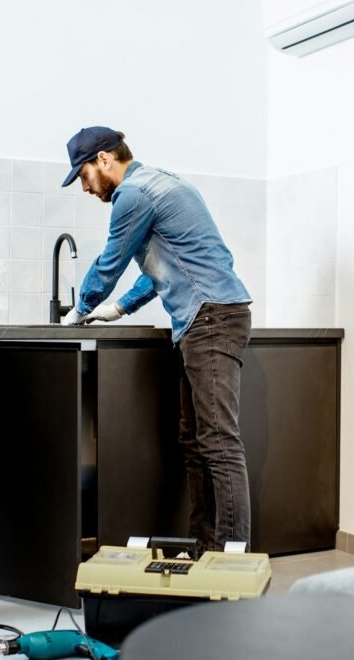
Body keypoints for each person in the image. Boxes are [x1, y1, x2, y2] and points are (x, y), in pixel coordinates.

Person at [60, 127, 253, 553]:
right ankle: (207, 550)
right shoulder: (165, 183)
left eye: (85, 175)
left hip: (211, 319)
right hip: (206, 317)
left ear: (105, 160)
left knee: (219, 443)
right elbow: (169, 265)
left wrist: (79, 309)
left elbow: (111, 260)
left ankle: (234, 563)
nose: (85, 187)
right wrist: (122, 307)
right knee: (196, 442)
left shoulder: (134, 194)